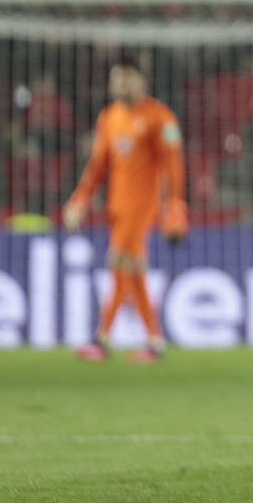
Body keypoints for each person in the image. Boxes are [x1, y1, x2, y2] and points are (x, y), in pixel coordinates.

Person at [63, 57, 188, 364]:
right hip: (117, 205)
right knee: (132, 270)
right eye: (116, 79)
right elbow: (97, 167)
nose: (120, 85)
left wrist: (174, 205)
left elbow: (173, 166)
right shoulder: (109, 118)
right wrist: (79, 199)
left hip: (143, 206)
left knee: (121, 261)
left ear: (141, 82)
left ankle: (102, 338)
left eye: (127, 78)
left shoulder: (160, 117)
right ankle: (154, 342)